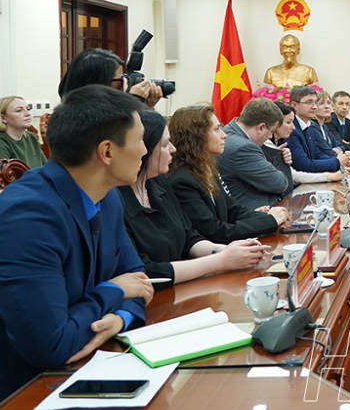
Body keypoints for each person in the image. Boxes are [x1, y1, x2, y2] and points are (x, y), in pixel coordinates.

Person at [0, 85, 152, 410]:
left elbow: (137, 280)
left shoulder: (107, 196)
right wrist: (113, 291)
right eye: (140, 139)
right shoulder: (26, 219)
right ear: (107, 152)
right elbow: (51, 345)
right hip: (7, 400)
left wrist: (120, 318)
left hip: (77, 371)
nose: (145, 150)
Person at [119, 109, 269, 288]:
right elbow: (147, 272)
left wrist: (224, 250)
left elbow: (188, 236)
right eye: (165, 144)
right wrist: (221, 260)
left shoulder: (158, 182)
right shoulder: (116, 200)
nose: (173, 149)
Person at [166, 104, 289, 243]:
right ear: (196, 136)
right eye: (216, 129)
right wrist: (270, 221)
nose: (224, 135)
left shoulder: (206, 169)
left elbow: (233, 210)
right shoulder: (182, 180)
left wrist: (262, 216)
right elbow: (215, 231)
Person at [219, 98, 292, 209]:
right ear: (261, 127)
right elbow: (279, 183)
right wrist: (278, 157)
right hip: (255, 212)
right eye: (271, 131)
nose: (270, 137)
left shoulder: (228, 130)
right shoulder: (243, 148)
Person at [58, 47, 161, 106]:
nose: (123, 86)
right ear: (98, 84)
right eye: (120, 81)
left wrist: (145, 107)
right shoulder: (76, 117)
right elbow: (118, 133)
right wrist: (132, 102)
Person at [270, 102, 341, 184]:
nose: (293, 127)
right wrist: (330, 173)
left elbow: (292, 174)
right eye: (288, 122)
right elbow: (301, 168)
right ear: (275, 123)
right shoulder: (268, 145)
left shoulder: (310, 127)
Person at [288, 86, 346, 173]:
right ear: (294, 105)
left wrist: (340, 159)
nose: (314, 107)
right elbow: (304, 165)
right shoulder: (291, 129)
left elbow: (317, 154)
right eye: (309, 102)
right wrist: (337, 162)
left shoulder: (309, 126)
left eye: (315, 103)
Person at [0, 96, 47, 167]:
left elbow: (46, 169)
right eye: (19, 110)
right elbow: (3, 173)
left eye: (28, 109)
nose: (28, 114)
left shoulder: (31, 137)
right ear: (3, 118)